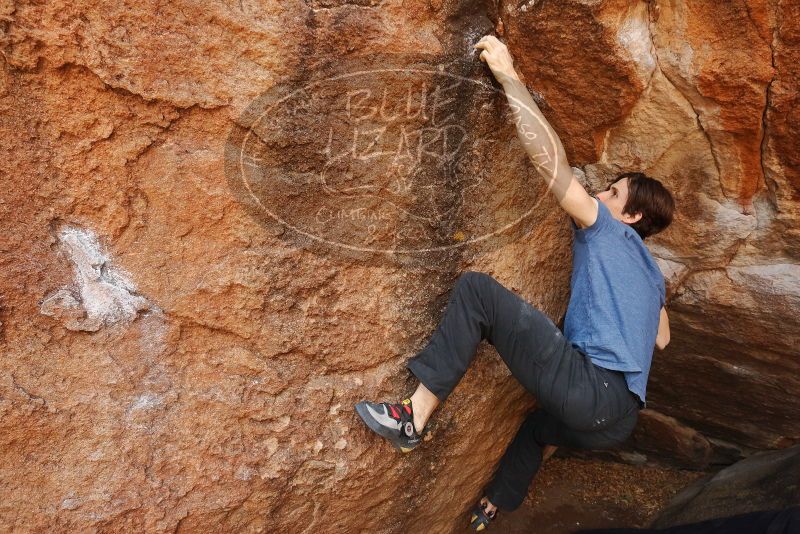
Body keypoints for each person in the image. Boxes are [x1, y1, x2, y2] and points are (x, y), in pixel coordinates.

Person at [354, 34, 675, 530]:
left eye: (611, 193)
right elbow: (662, 337)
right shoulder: (653, 277)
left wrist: (508, 74)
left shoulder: (607, 229)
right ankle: (493, 507)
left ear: (630, 216)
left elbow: (553, 168)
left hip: (591, 392)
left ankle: (412, 417)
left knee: (478, 292)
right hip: (616, 424)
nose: (598, 194)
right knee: (535, 430)